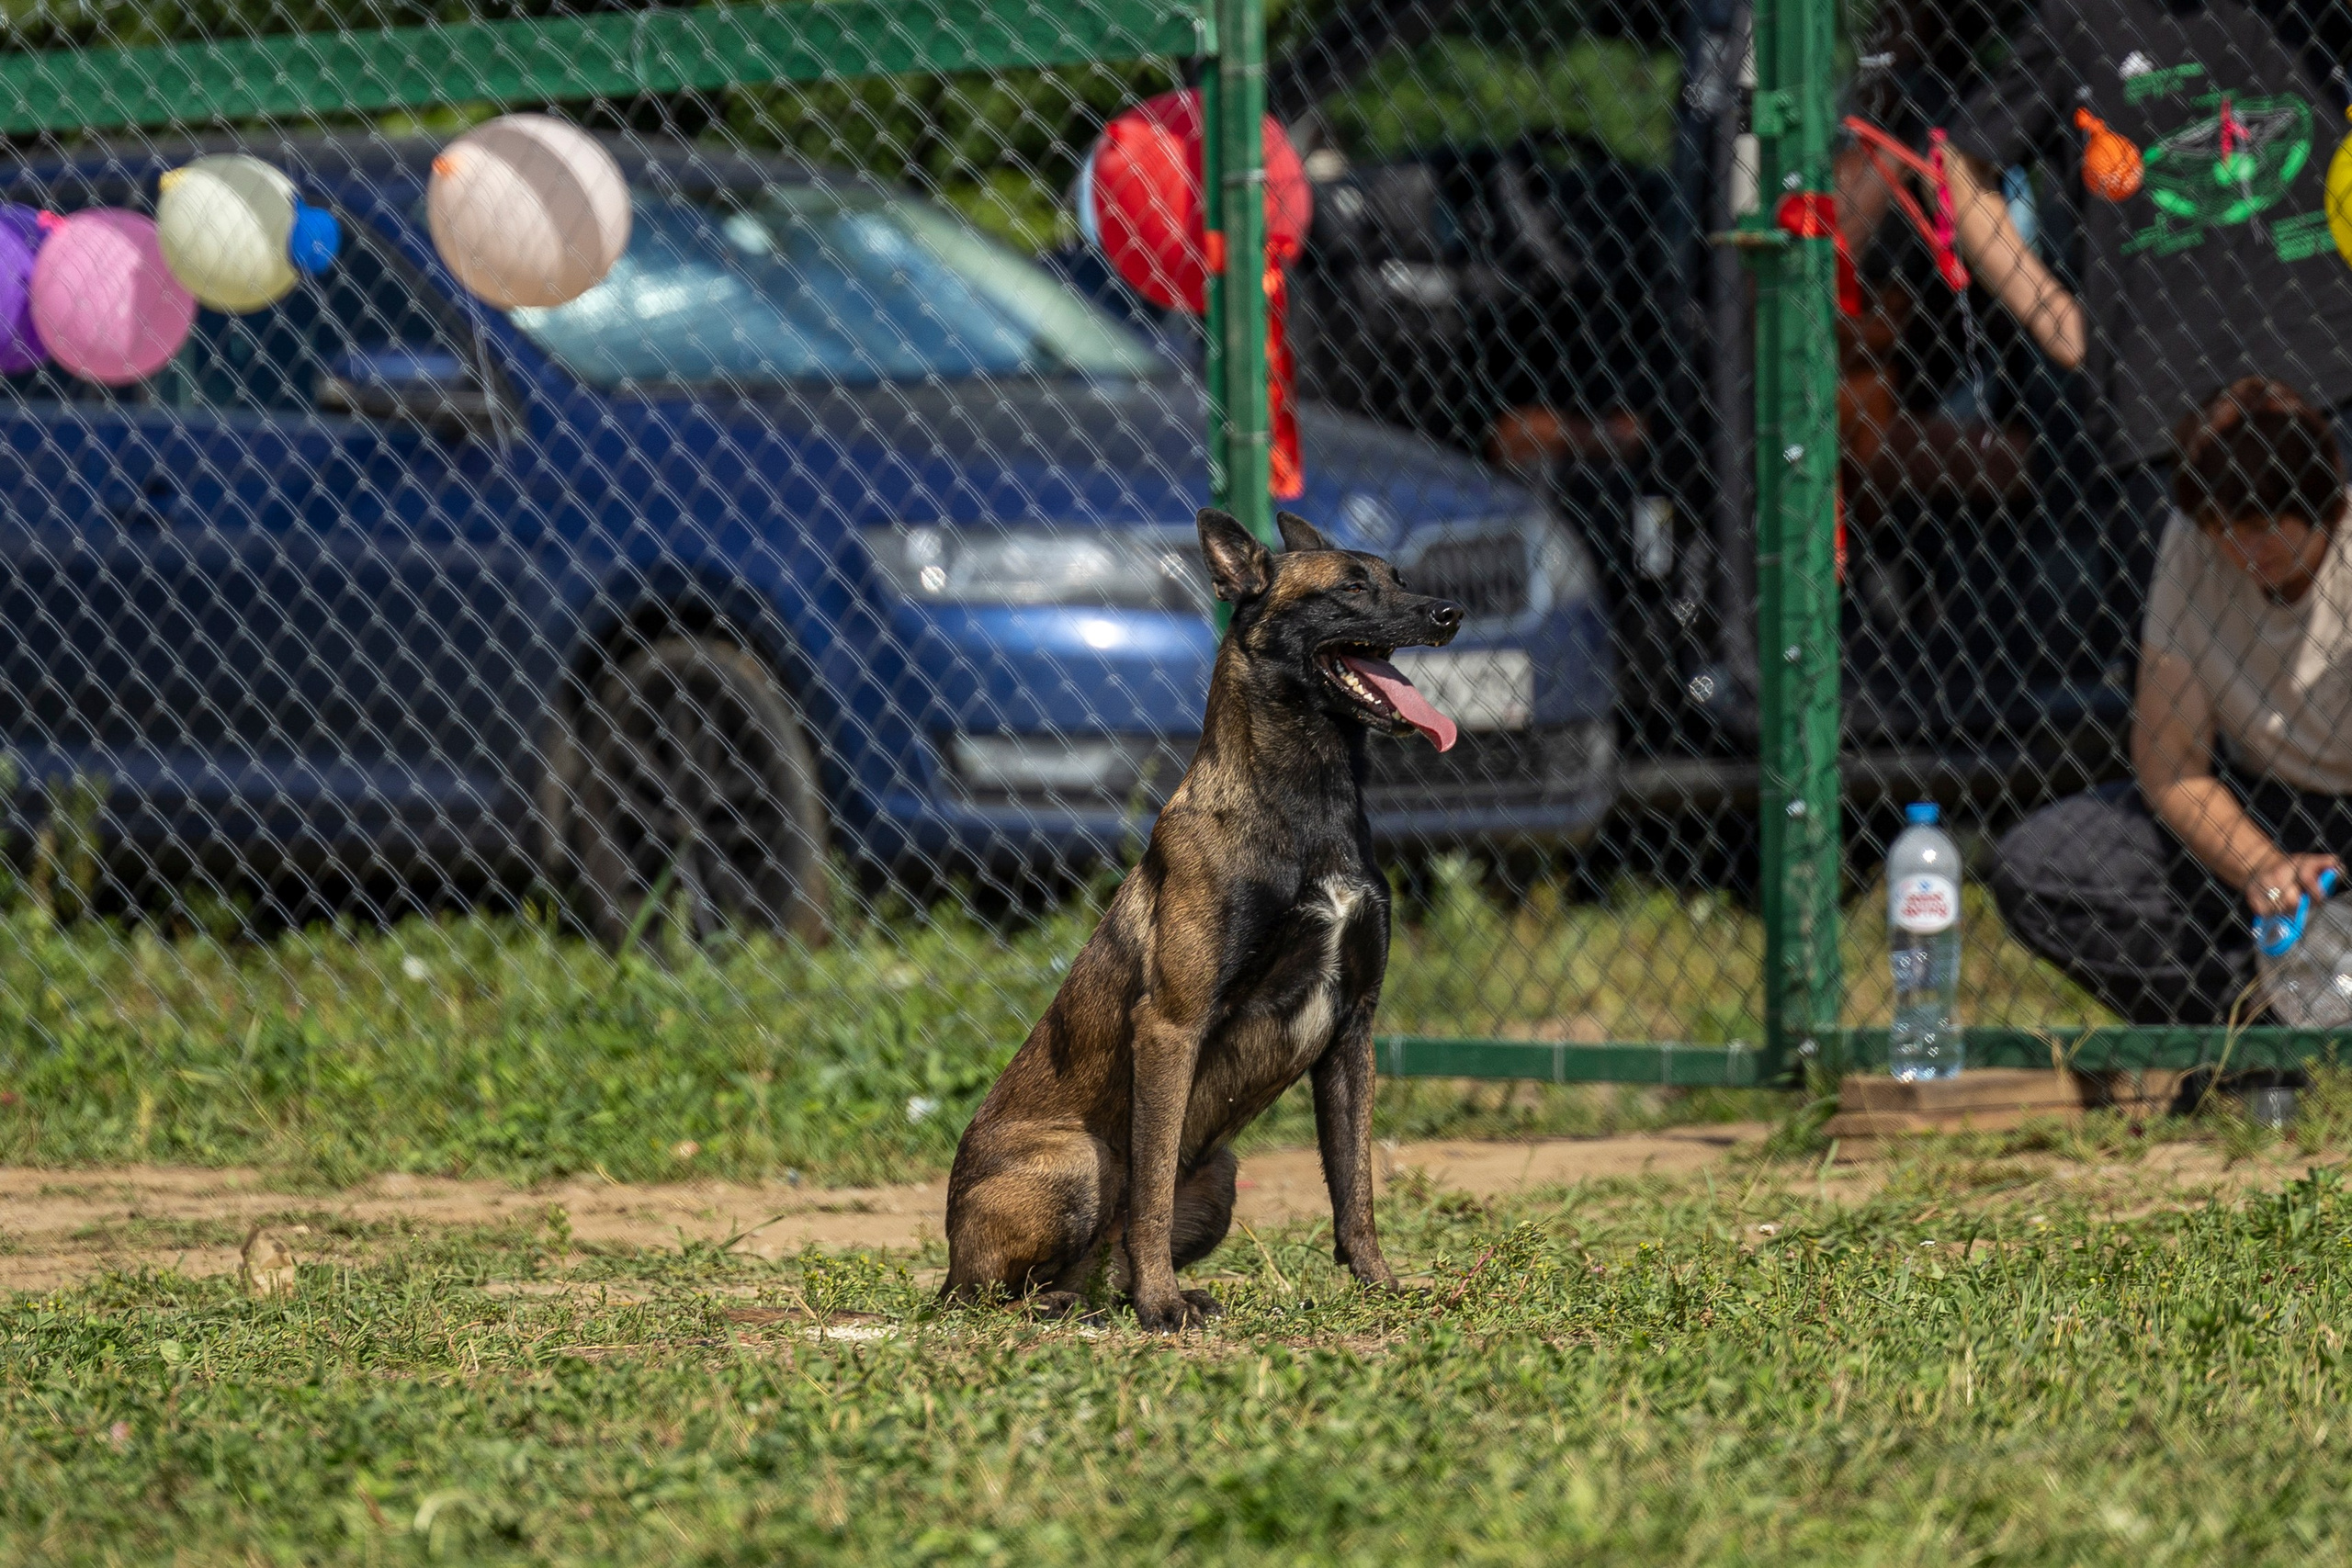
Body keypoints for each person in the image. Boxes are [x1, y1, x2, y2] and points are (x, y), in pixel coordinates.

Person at [1992, 378, 2352, 1021]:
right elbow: (2173, 766)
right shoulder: (2192, 546)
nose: (2245, 547)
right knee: (2042, 864)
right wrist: (2264, 867)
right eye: (2223, 527)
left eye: (2264, 523)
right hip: (2262, 802)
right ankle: (2252, 1035)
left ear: (2321, 501)